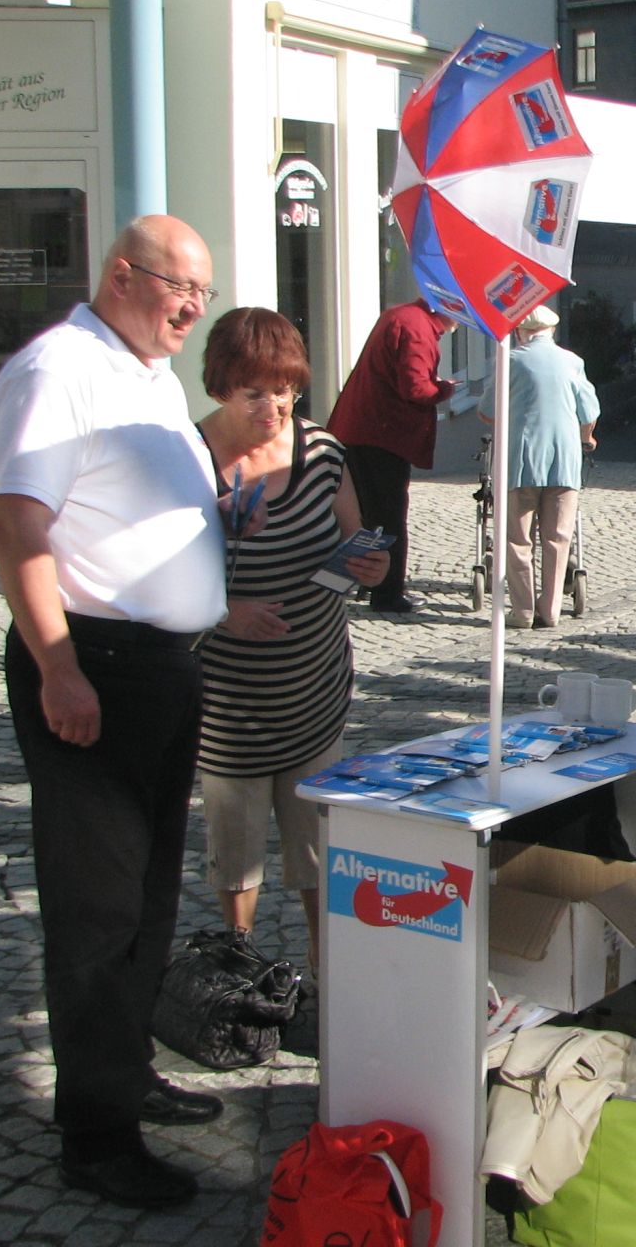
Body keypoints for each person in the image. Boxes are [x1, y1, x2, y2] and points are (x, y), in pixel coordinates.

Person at [0, 216, 231, 1210]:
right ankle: (95, 1136)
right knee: (97, 909)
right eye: (181, 287)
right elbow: (17, 526)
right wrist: (58, 667)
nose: (193, 308)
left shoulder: (149, 375)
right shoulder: (60, 370)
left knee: (151, 897)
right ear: (124, 275)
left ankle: (126, 1072)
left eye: (204, 293)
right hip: (95, 666)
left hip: (162, 669)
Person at [195, 308, 389, 969]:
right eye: (256, 393)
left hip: (313, 685)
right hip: (229, 702)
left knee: (317, 845)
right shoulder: (190, 458)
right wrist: (227, 611)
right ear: (221, 386)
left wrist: (370, 566)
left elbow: (353, 539)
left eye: (285, 391)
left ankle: (326, 970)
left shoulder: (322, 453)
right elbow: (154, 572)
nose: (274, 407)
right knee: (237, 849)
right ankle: (241, 971)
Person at [327, 299, 458, 614]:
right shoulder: (417, 328)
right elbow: (416, 388)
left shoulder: (402, 316)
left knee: (369, 513)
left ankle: (369, 581)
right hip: (382, 434)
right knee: (388, 516)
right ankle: (387, 593)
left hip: (362, 428)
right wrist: (444, 389)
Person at [493, 304, 600, 630]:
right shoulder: (572, 361)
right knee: (557, 538)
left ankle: (523, 612)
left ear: (521, 332)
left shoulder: (510, 360)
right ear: (551, 331)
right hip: (565, 460)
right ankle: (550, 610)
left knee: (518, 540)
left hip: (522, 462)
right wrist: (587, 438)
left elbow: (487, 411)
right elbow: (589, 412)